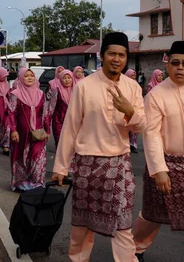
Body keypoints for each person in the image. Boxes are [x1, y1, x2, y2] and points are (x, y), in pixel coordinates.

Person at [51, 32, 146, 262]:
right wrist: (61, 167)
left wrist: (129, 111)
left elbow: (141, 126)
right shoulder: (84, 86)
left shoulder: (133, 88)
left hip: (119, 164)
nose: (116, 59)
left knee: (123, 226)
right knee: (82, 228)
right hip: (87, 165)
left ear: (127, 58)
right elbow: (71, 128)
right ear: (102, 55)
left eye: (122, 55)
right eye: (112, 53)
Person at [133, 41, 184, 262]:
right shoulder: (155, 96)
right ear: (168, 66)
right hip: (165, 166)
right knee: (153, 217)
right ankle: (135, 248)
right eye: (175, 63)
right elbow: (151, 135)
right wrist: (159, 170)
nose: (180, 67)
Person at [8, 68, 50, 192]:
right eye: (26, 76)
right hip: (21, 132)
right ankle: (21, 183)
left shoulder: (40, 94)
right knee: (21, 156)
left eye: (32, 75)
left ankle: (36, 182)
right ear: (21, 78)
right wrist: (14, 130)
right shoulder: (15, 94)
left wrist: (47, 130)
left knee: (37, 156)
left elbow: (45, 113)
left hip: (38, 132)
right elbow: (11, 113)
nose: (30, 78)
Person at [48, 69, 74, 148]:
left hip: (72, 121)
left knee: (71, 143)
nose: (67, 80)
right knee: (60, 142)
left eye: (69, 78)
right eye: (64, 78)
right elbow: (51, 107)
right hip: (58, 120)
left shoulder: (76, 90)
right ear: (60, 79)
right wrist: (47, 123)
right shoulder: (56, 90)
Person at [126, 69, 140, 153]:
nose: (133, 77)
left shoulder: (136, 85)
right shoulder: (124, 85)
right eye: (131, 76)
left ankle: (133, 145)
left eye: (134, 76)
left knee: (134, 129)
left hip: (135, 109)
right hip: (125, 109)